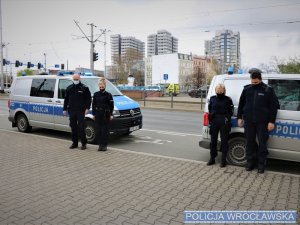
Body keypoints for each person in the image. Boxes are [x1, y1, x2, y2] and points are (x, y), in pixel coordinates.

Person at [237, 68, 279, 173]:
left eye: (255, 82)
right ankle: (250, 163)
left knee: (262, 144)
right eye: (252, 82)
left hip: (262, 122)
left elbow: (274, 107)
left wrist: (271, 121)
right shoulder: (247, 89)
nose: (253, 84)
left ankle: (261, 165)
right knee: (249, 143)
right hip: (249, 121)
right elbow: (241, 104)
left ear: (260, 80)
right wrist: (239, 117)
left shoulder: (268, 90)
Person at [207, 84, 234, 167]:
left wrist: (226, 118)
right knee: (213, 141)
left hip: (224, 122)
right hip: (214, 121)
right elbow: (210, 109)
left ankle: (223, 160)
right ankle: (212, 158)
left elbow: (231, 111)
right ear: (215, 90)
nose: (219, 90)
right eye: (218, 89)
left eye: (221, 89)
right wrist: (211, 118)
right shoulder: (212, 99)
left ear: (224, 90)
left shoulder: (228, 99)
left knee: (224, 141)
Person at [63, 74, 91, 150]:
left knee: (81, 128)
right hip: (72, 111)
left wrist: (87, 108)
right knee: (73, 127)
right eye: (74, 79)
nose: (75, 80)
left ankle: (83, 143)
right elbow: (66, 99)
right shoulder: (69, 88)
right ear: (73, 79)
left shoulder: (84, 88)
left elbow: (88, 99)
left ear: (79, 79)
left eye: (77, 79)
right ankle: (74, 143)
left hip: (81, 111)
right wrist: (64, 109)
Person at [92, 78, 114, 151]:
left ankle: (105, 145)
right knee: (98, 131)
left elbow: (111, 106)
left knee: (105, 131)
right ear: (98, 86)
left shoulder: (109, 95)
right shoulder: (95, 94)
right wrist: (94, 114)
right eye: (100, 85)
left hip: (105, 115)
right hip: (98, 114)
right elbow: (93, 105)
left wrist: (111, 115)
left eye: (102, 85)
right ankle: (100, 145)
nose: (101, 87)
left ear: (105, 85)